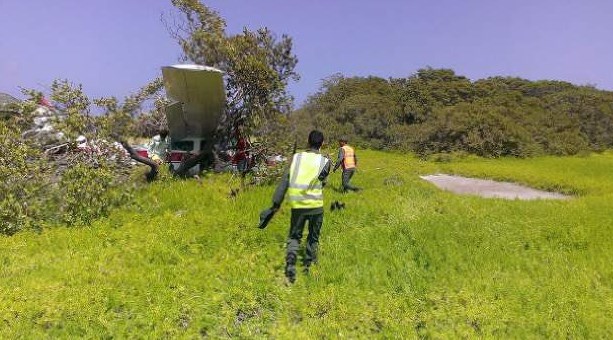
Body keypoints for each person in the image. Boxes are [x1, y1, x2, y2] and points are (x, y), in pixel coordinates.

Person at [269, 130, 331, 283]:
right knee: (313, 238)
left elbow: (285, 181)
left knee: (294, 236)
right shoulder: (325, 162)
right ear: (322, 144)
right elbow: (322, 181)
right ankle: (309, 266)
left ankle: (290, 266)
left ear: (308, 141)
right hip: (316, 206)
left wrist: (276, 203)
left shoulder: (295, 158)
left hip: (298, 206)